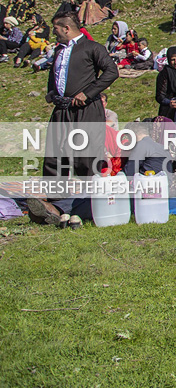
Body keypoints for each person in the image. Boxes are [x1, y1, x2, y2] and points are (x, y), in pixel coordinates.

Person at [26, 11, 118, 227]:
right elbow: (55, 76)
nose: (54, 33)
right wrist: (51, 95)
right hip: (62, 109)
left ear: (66, 28)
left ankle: (87, 207)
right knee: (55, 156)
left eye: (56, 29)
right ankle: (55, 205)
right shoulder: (59, 51)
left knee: (86, 158)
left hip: (86, 109)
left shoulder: (92, 48)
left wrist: (88, 93)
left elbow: (111, 72)